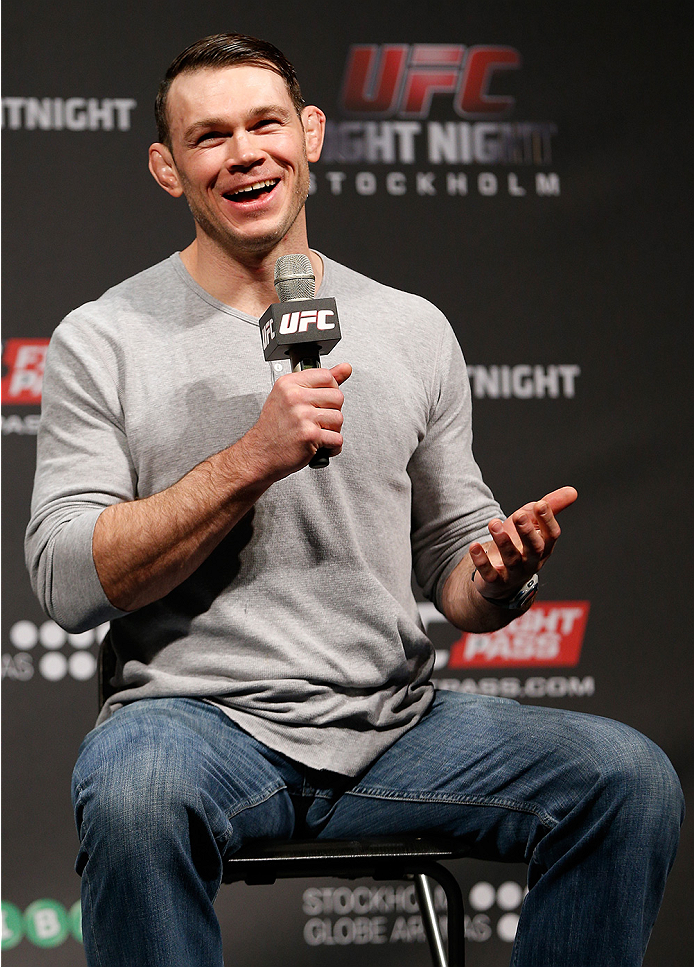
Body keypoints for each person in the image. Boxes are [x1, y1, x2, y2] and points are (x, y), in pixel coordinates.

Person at [25, 32, 682, 967]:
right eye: (210, 137)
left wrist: (496, 576)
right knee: (135, 795)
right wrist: (251, 457)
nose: (245, 151)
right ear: (168, 170)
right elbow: (66, 580)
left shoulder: (412, 327)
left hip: (393, 724)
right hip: (198, 722)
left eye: (265, 123)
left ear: (312, 134)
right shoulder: (104, 338)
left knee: (628, 777)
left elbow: (457, 564)